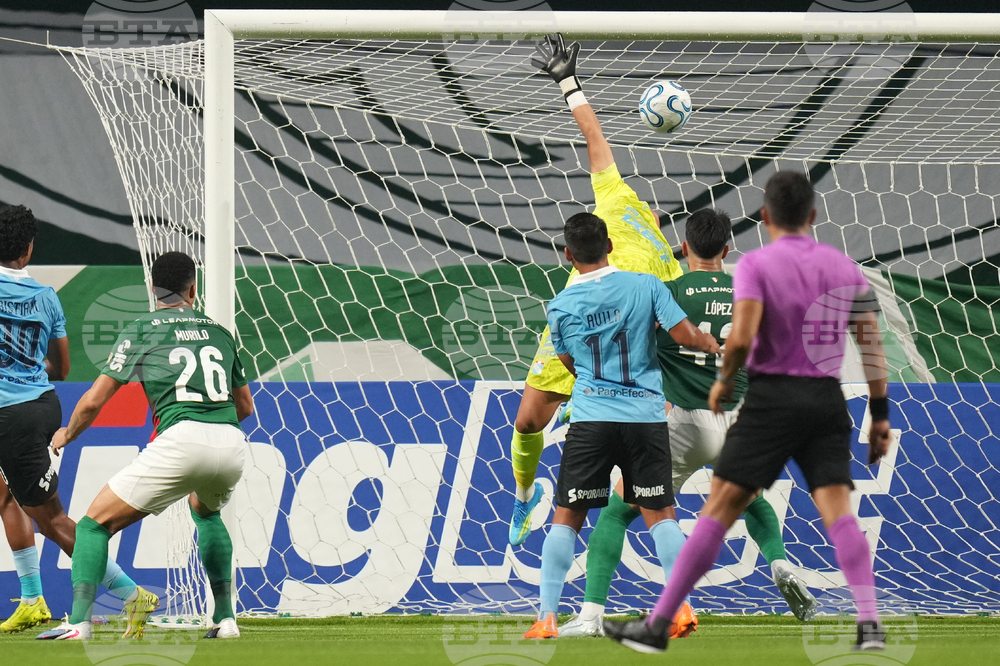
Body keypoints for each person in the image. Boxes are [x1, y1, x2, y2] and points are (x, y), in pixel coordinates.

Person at [604, 172, 893, 653]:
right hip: (826, 402)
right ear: (813, 215)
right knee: (840, 514)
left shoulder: (757, 266)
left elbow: (740, 337)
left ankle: (658, 625)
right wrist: (879, 412)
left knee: (717, 512)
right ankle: (870, 622)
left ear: (764, 216)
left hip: (769, 402)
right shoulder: (843, 266)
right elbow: (870, 343)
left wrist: (724, 379)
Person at [558, 209, 818, 640]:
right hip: (738, 416)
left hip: (681, 419)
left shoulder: (669, 291)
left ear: (683, 248)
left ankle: (590, 615)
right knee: (749, 498)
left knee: (617, 513)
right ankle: (780, 563)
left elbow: (631, 343)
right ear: (727, 249)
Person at [510, 33, 684, 546]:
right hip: (573, 327)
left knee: (622, 471)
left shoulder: (667, 266)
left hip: (614, 362)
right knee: (526, 423)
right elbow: (594, 137)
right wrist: (568, 83)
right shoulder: (616, 195)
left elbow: (667, 329)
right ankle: (524, 497)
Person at [37, 251, 253, 641]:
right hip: (231, 442)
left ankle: (79, 622)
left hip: (181, 439)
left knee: (92, 526)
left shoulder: (142, 329)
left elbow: (93, 401)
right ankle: (225, 619)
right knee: (206, 513)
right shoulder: (221, 332)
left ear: (153, 290)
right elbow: (245, 407)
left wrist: (68, 433)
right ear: (193, 290)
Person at [521, 212, 718, 639]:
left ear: (569, 254)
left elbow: (569, 362)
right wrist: (712, 344)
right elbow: (684, 335)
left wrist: (597, 381)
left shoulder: (561, 305)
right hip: (645, 418)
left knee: (566, 517)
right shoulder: (646, 286)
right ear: (610, 245)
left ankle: (547, 617)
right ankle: (682, 608)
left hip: (592, 419)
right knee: (661, 516)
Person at [0, 205, 151, 634]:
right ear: (28, 250)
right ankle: (32, 599)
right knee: (6, 498)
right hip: (37, 405)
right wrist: (25, 366)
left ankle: (133, 596)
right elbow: (62, 368)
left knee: (50, 519)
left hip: (12, 416)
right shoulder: (46, 297)